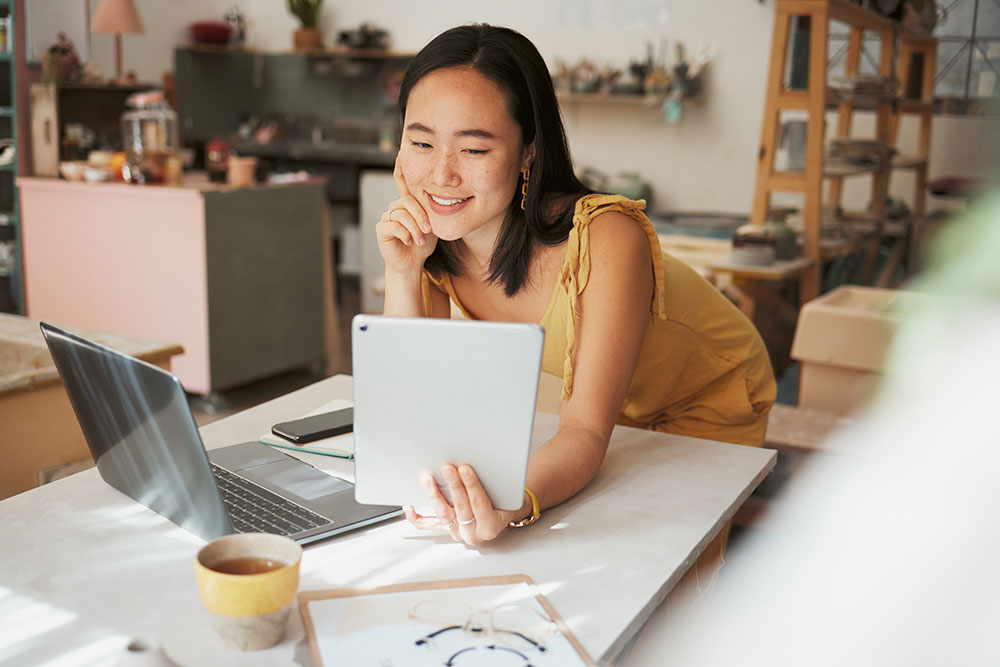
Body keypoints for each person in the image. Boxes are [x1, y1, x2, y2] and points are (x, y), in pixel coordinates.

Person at [376, 24, 776, 546]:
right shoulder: (432, 239)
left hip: (705, 398)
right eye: (421, 142)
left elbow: (585, 433)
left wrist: (510, 503)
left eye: (473, 150)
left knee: (662, 575)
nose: (441, 174)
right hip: (606, 409)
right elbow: (414, 407)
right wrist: (404, 270)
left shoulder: (607, 235)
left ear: (527, 153)